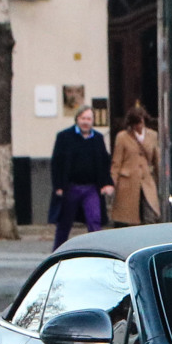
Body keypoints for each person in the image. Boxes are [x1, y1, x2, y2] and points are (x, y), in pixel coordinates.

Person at [48, 105, 112, 245]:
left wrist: (107, 183)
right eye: (83, 118)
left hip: (91, 188)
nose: (85, 122)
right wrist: (58, 186)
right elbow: (56, 163)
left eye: (89, 119)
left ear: (92, 121)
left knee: (94, 220)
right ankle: (57, 253)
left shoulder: (98, 138)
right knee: (64, 224)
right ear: (77, 119)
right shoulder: (64, 137)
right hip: (70, 187)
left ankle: (98, 251)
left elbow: (104, 162)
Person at [109, 106, 162, 226]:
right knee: (129, 217)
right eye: (135, 123)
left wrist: (160, 180)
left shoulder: (152, 135)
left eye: (140, 122)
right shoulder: (122, 137)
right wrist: (113, 182)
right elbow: (117, 162)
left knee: (150, 213)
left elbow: (156, 159)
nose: (138, 126)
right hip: (127, 182)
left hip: (146, 180)